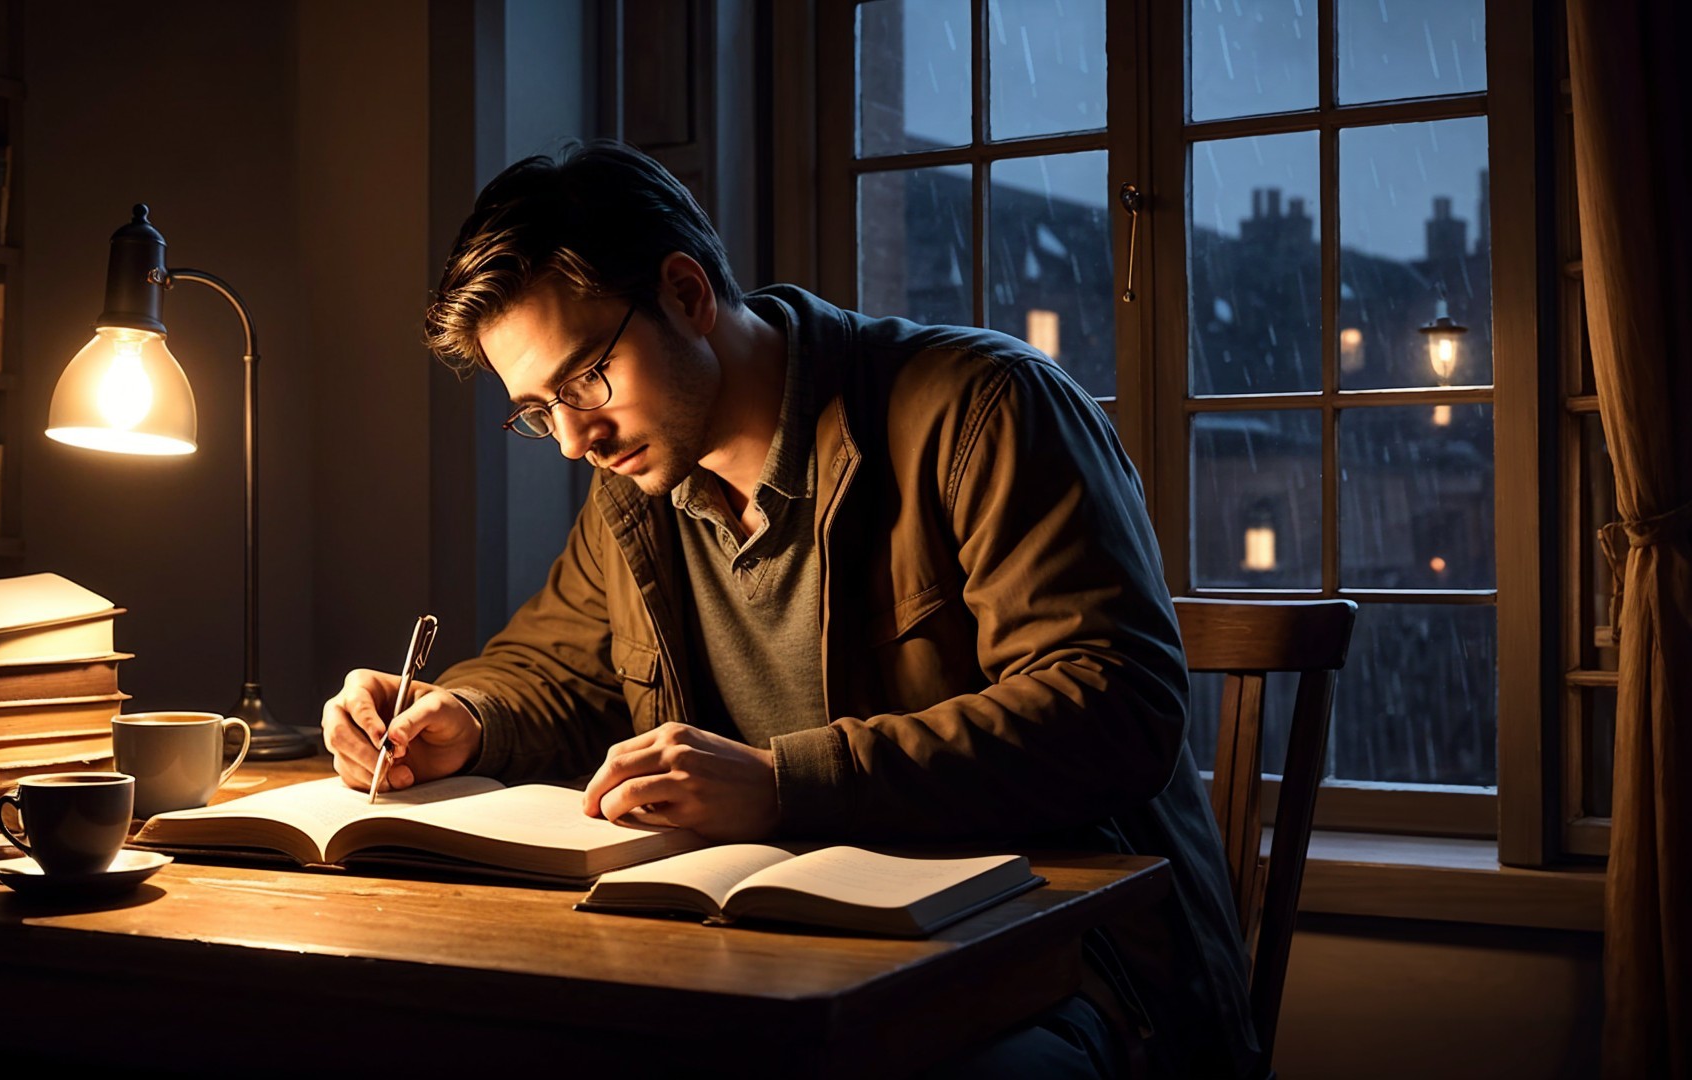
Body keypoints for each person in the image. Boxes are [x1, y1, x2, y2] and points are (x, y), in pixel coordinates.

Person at [320, 140, 1259, 1079]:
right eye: (537, 410)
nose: (572, 439)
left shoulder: (984, 408)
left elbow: (1114, 708)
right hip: (780, 968)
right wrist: (463, 717)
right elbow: (555, 667)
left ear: (687, 294)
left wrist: (784, 782)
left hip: (1062, 977)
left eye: (582, 382)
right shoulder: (641, 491)